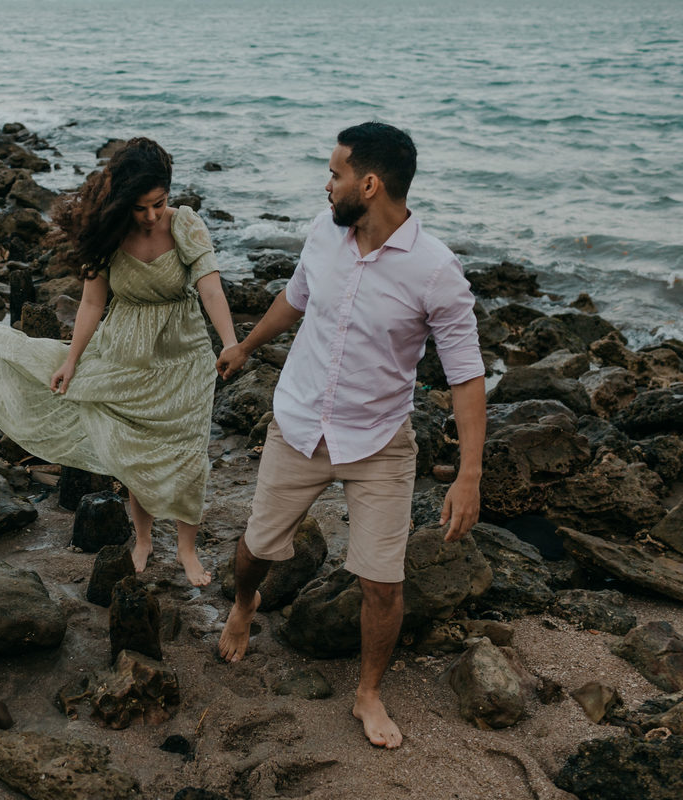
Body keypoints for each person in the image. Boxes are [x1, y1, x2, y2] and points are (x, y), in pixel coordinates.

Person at [214, 122, 486, 749]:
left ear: (369, 184)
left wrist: (468, 476)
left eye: (335, 173)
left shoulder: (436, 271)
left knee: (382, 584)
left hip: (380, 443)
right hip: (299, 424)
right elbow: (296, 298)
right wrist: (247, 347)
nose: (326, 184)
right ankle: (245, 604)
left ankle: (367, 693)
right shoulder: (323, 231)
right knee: (254, 549)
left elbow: (468, 378)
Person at [0, 138, 237, 587]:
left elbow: (211, 287)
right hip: (125, 354)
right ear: (123, 200)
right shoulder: (106, 233)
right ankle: (142, 540)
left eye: (159, 203)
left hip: (184, 356)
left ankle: (186, 549)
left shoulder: (185, 225)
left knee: (187, 453)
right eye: (140, 207)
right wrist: (73, 361)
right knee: (136, 451)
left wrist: (230, 343)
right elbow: (90, 303)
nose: (151, 216)